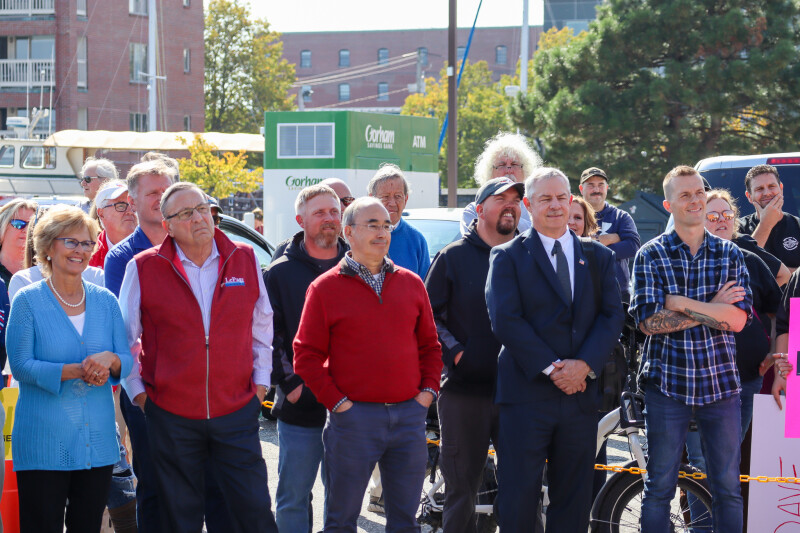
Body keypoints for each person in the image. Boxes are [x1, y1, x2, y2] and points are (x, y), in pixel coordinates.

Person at [119, 182, 277, 533]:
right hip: (171, 415)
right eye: (187, 213)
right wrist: (140, 395)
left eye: (203, 209)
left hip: (236, 410)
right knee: (179, 516)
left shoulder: (244, 257)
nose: (199, 218)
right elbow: (125, 338)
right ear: (168, 225)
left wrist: (260, 385)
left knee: (253, 510)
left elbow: (262, 325)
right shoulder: (143, 266)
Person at [485, 167, 625, 532]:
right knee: (518, 499)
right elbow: (506, 319)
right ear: (528, 204)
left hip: (580, 397)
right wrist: (554, 368)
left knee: (574, 500)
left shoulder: (598, 257)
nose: (555, 205)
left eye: (561, 197)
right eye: (545, 198)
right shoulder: (507, 256)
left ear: (571, 200)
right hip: (525, 397)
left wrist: (584, 365)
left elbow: (612, 316)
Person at [293, 197, 442, 532]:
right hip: (353, 421)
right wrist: (339, 404)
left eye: (386, 225)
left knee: (405, 522)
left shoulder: (411, 283)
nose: (382, 232)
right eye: (372, 225)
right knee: (341, 521)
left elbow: (431, 347)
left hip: (408, 417)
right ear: (348, 232)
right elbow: (306, 355)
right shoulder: (325, 288)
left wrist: (427, 393)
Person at [630, 166, 751, 533]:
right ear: (669, 205)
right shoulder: (650, 255)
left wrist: (682, 303)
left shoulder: (730, 254)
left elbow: (738, 321)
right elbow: (649, 323)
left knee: (728, 490)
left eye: (699, 192)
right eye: (685, 195)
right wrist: (714, 309)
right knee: (659, 488)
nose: (696, 200)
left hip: (721, 385)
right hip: (667, 386)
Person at [6, 205, 133, 533]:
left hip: (98, 443)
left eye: (87, 243)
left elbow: (126, 359)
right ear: (48, 247)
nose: (81, 250)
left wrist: (110, 361)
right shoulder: (28, 301)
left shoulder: (106, 301)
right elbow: (21, 365)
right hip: (43, 442)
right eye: (71, 242)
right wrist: (77, 370)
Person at [425, 176, 523, 532]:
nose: (511, 205)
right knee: (461, 493)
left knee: (522, 492)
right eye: (501, 199)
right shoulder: (452, 256)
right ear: (480, 209)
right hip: (464, 394)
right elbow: (428, 318)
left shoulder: (527, 255)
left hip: (519, 393)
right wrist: (458, 355)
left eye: (516, 199)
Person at [263, 184, 348, 532]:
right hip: (302, 405)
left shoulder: (360, 265)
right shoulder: (280, 272)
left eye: (334, 211)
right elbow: (270, 335)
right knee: (294, 498)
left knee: (343, 500)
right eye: (319, 213)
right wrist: (293, 385)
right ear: (300, 221)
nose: (329, 218)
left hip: (352, 403)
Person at [685, 189, 782, 469]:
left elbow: (779, 312)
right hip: (697, 381)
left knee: (728, 461)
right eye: (713, 215)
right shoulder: (685, 261)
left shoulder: (751, 261)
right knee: (701, 462)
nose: (722, 221)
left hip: (746, 379)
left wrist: (775, 352)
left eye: (727, 215)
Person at [104, 159, 176, 532]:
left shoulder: (197, 246)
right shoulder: (121, 258)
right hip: (148, 390)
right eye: (152, 192)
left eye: (167, 190)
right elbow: (125, 332)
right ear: (132, 201)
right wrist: (139, 393)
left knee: (200, 486)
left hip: (198, 389)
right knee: (154, 487)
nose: (161, 198)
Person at [460, 131, 542, 235]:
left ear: (525, 170)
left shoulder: (536, 209)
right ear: (490, 172)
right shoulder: (473, 211)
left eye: (514, 164)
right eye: (502, 165)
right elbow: (473, 242)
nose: (509, 170)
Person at [579, 167, 640, 301]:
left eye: (601, 185)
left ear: (607, 188)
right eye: (591, 185)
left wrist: (591, 246)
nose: (596, 189)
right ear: (581, 189)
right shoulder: (574, 216)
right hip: (582, 292)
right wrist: (610, 238)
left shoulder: (621, 217)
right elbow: (573, 247)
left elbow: (632, 247)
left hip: (618, 293)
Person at [368, 164, 430, 278]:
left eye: (398, 196)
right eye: (385, 197)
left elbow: (425, 286)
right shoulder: (360, 236)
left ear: (406, 199)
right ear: (372, 199)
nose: (392, 203)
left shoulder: (417, 240)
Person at [271, 178, 354, 261]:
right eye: (320, 211)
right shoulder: (285, 253)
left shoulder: (357, 251)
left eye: (347, 201)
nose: (341, 207)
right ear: (301, 220)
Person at [739, 164, 800, 270]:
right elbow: (742, 267)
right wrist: (765, 224)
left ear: (781, 188)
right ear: (749, 196)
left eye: (771, 186)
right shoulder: (738, 228)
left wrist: (771, 274)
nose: (767, 193)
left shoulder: (797, 226)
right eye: (759, 189)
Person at [90, 180, 138, 268]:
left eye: (133, 205)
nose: (130, 211)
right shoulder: (89, 254)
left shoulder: (153, 246)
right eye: (121, 206)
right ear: (101, 213)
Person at [0, 198, 38, 288]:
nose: (27, 230)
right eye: (18, 224)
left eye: (32, 225)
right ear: (2, 225)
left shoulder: (44, 269)